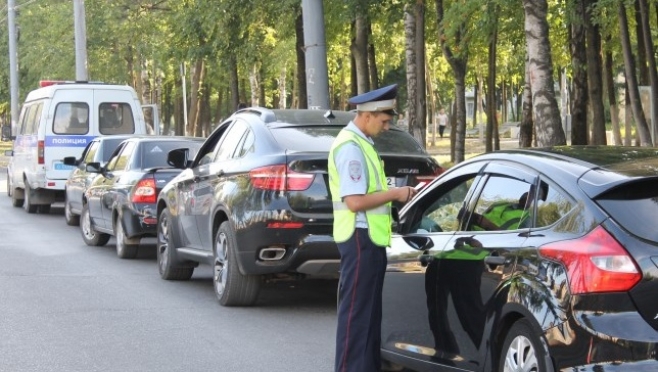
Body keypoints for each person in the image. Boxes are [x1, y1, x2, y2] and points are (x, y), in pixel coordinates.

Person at [328, 84, 418, 372]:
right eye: (384, 120)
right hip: (359, 238)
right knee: (356, 318)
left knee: (368, 319)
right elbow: (354, 201)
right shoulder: (351, 149)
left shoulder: (362, 144)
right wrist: (396, 194)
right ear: (367, 115)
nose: (387, 126)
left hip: (369, 240)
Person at [469, 182, 548, 231]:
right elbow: (481, 218)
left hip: (489, 251)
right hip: (470, 238)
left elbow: (515, 243)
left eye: (536, 194)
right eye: (531, 190)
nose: (529, 194)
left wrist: (488, 225)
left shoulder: (526, 220)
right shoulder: (501, 203)